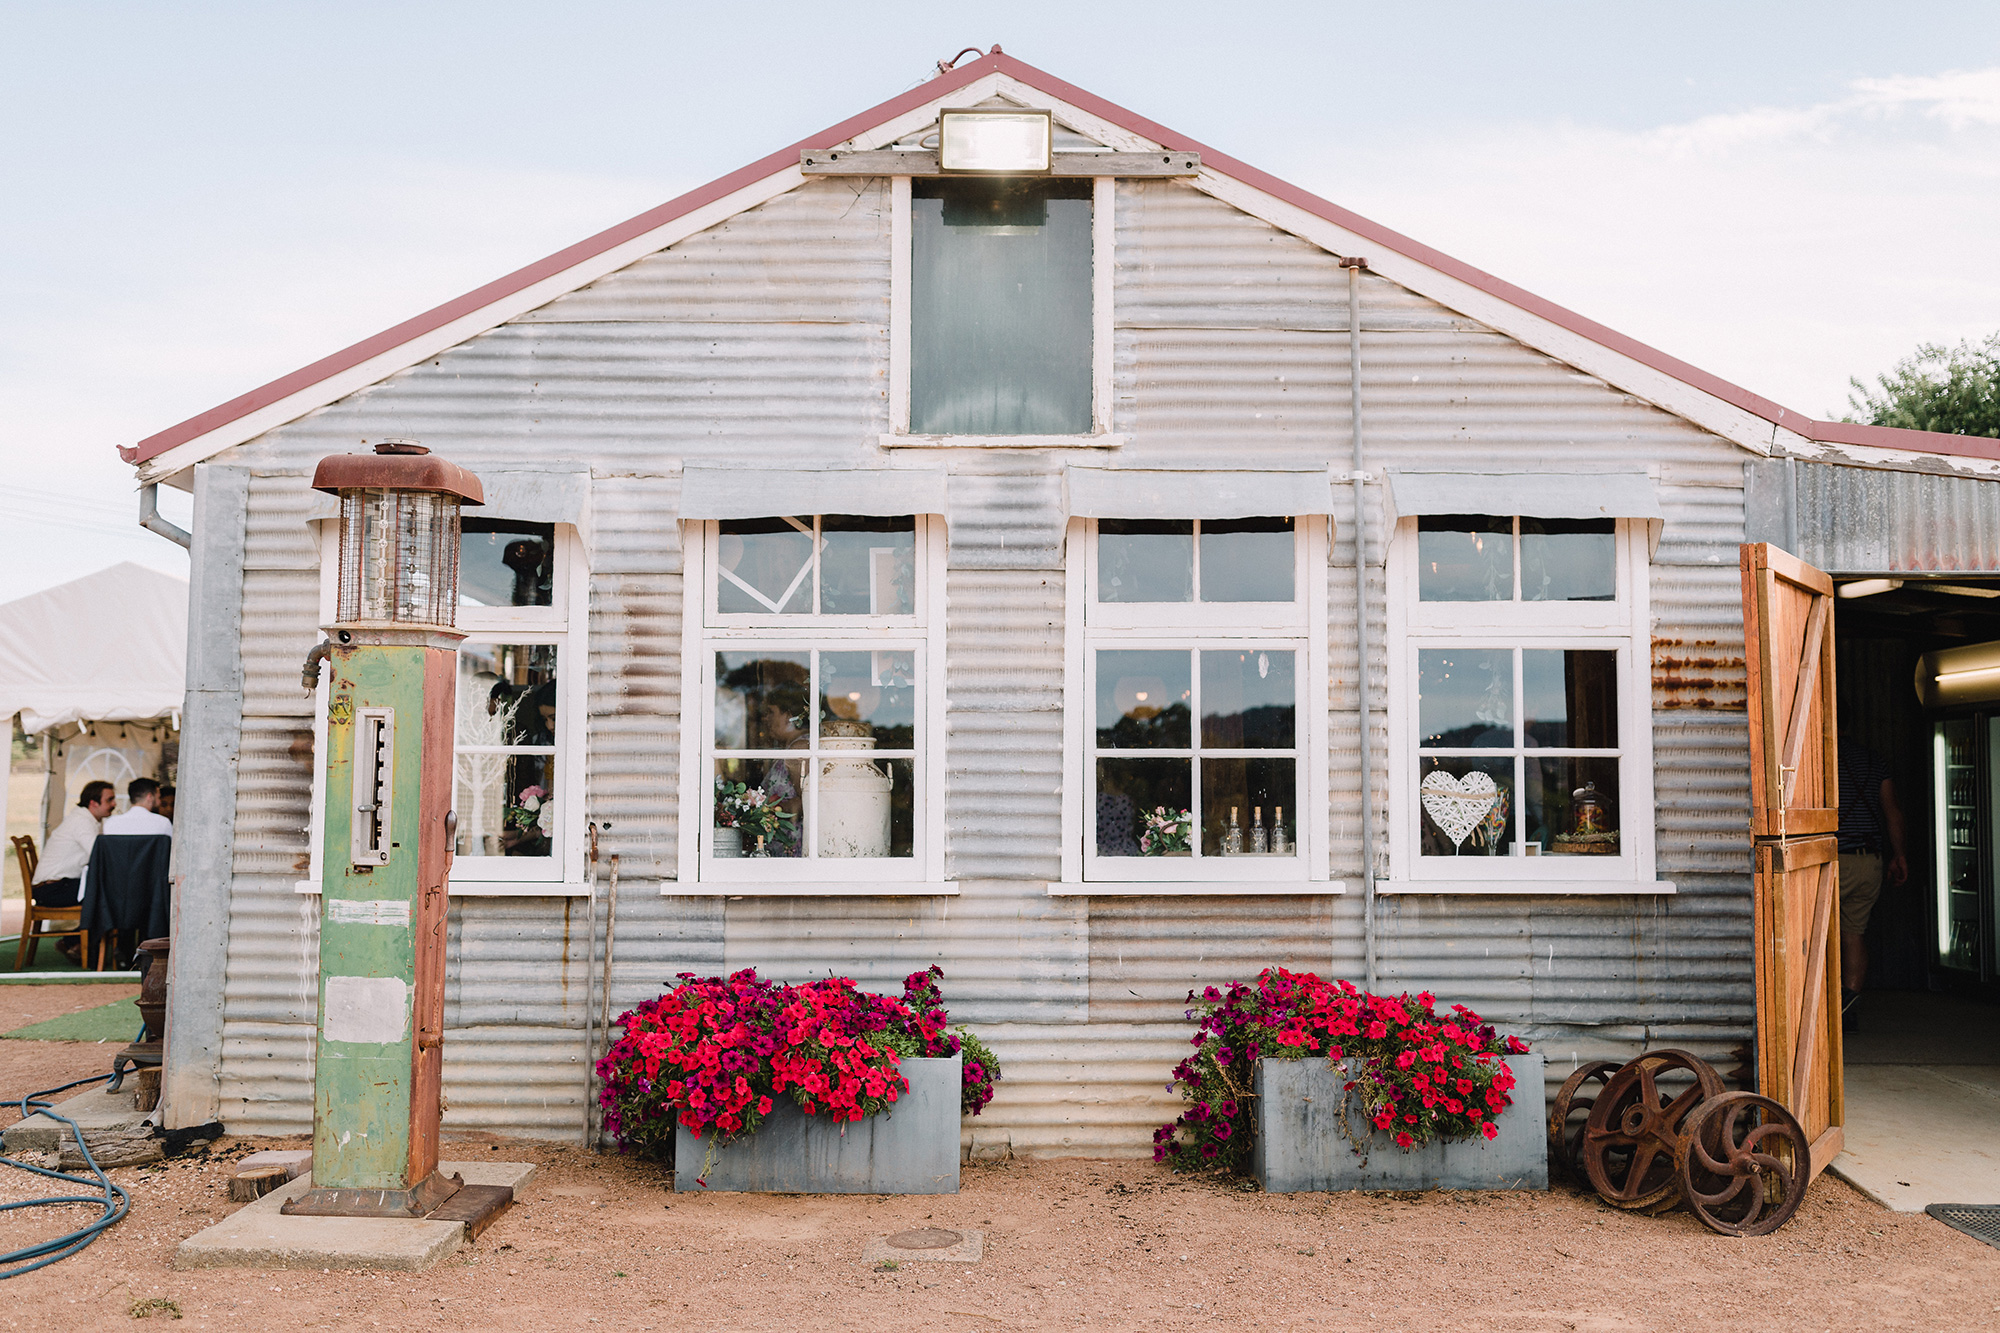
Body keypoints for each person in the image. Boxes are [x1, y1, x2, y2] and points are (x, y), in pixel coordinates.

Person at [1836, 741, 1908, 1032]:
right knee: (1854, 935)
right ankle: (1847, 1010)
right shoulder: (1873, 760)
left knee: (1817, 936)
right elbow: (1893, 812)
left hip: (1830, 860)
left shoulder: (1818, 753)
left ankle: (1823, 1008)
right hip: (1869, 860)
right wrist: (1900, 855)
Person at [31, 781, 116, 962]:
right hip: (52, 890)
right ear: (93, 803)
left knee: (103, 893)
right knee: (106, 896)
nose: (114, 804)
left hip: (56, 886)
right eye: (110, 800)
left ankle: (76, 944)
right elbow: (98, 856)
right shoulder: (82, 822)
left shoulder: (85, 819)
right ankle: (78, 945)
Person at [102, 778, 173, 836]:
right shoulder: (162, 823)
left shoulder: (111, 824)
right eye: (158, 797)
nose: (159, 801)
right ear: (150, 797)